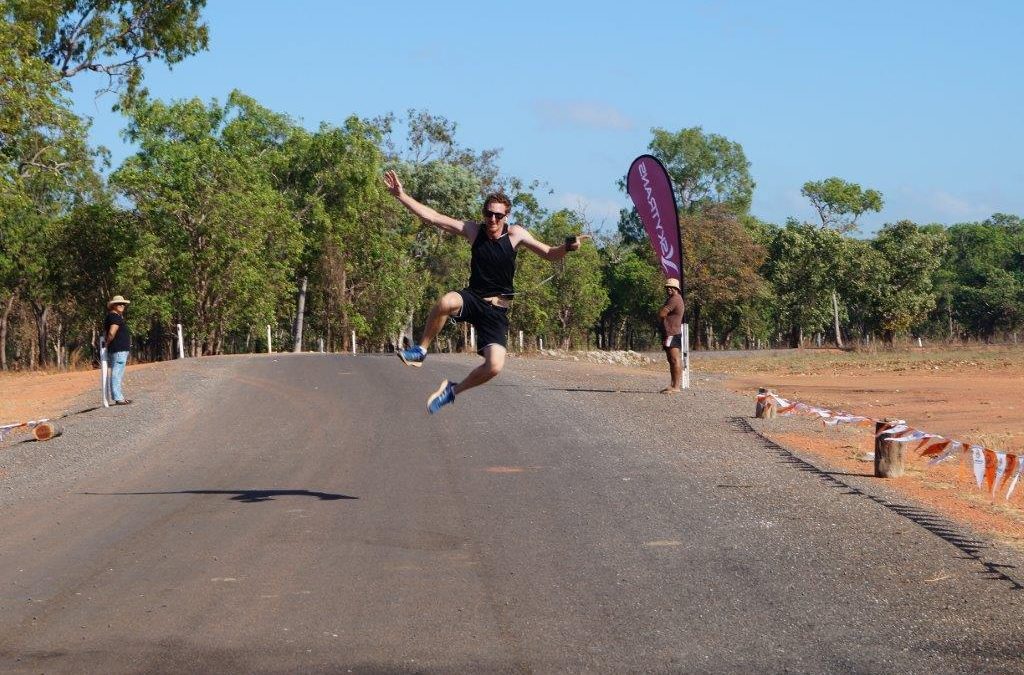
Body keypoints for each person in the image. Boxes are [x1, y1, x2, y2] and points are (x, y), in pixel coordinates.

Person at [383, 169, 588, 414]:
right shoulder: (473, 231)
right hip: (473, 298)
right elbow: (435, 218)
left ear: (506, 216)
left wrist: (567, 247)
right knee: (446, 301)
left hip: (497, 311)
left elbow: (549, 254)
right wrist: (401, 196)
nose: (492, 220)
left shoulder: (516, 235)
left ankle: (451, 391)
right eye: (488, 214)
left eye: (497, 215)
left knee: (494, 366)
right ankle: (421, 350)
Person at [104, 295, 133, 405]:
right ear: (113, 305)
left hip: (119, 349)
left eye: (123, 304)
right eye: (119, 304)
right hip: (118, 349)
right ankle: (118, 397)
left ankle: (119, 396)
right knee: (117, 373)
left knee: (118, 372)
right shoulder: (114, 316)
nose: (122, 305)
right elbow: (112, 332)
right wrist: (107, 344)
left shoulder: (115, 316)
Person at [657, 278, 685, 393]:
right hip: (670, 332)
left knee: (674, 359)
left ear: (676, 289)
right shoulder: (673, 299)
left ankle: (676, 386)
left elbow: (662, 313)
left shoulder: (674, 299)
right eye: (667, 287)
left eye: (671, 287)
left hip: (672, 332)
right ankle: (673, 384)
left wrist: (661, 317)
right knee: (671, 359)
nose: (669, 289)